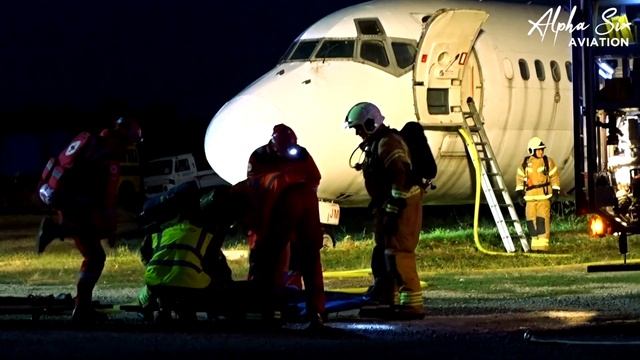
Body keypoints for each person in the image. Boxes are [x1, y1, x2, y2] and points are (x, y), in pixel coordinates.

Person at [36, 116, 142, 323]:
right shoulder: (109, 159)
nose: (128, 149)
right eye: (130, 143)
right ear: (124, 139)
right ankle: (55, 230)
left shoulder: (89, 140)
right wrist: (110, 231)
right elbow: (108, 200)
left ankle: (82, 307)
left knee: (93, 252)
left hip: (63, 200)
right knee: (95, 257)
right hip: (78, 207)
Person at [344, 102, 425, 320]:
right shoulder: (376, 144)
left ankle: (412, 305)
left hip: (402, 204)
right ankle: (388, 297)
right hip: (387, 204)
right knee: (384, 251)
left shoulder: (388, 144)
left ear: (371, 124)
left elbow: (401, 178)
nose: (358, 133)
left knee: (399, 252)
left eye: (359, 128)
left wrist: (392, 210)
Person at [245, 123, 326, 327]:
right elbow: (256, 186)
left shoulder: (299, 154)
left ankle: (314, 311)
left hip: (298, 210)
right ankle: (273, 309)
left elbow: (314, 178)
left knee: (308, 258)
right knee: (272, 260)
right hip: (276, 212)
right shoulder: (260, 156)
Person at [137, 181, 236, 322]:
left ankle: (165, 307)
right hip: (190, 286)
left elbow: (146, 255)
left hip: (156, 284)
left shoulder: (159, 232)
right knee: (209, 276)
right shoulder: (203, 232)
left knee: (169, 277)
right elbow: (214, 264)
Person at [515, 136, 561, 252]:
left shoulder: (548, 162)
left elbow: (554, 177)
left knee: (542, 222)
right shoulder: (525, 164)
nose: (541, 151)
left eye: (542, 149)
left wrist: (555, 192)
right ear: (531, 150)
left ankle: (543, 247)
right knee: (531, 223)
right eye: (538, 149)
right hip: (530, 200)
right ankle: (535, 247)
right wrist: (519, 194)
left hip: (543, 198)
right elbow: (520, 178)